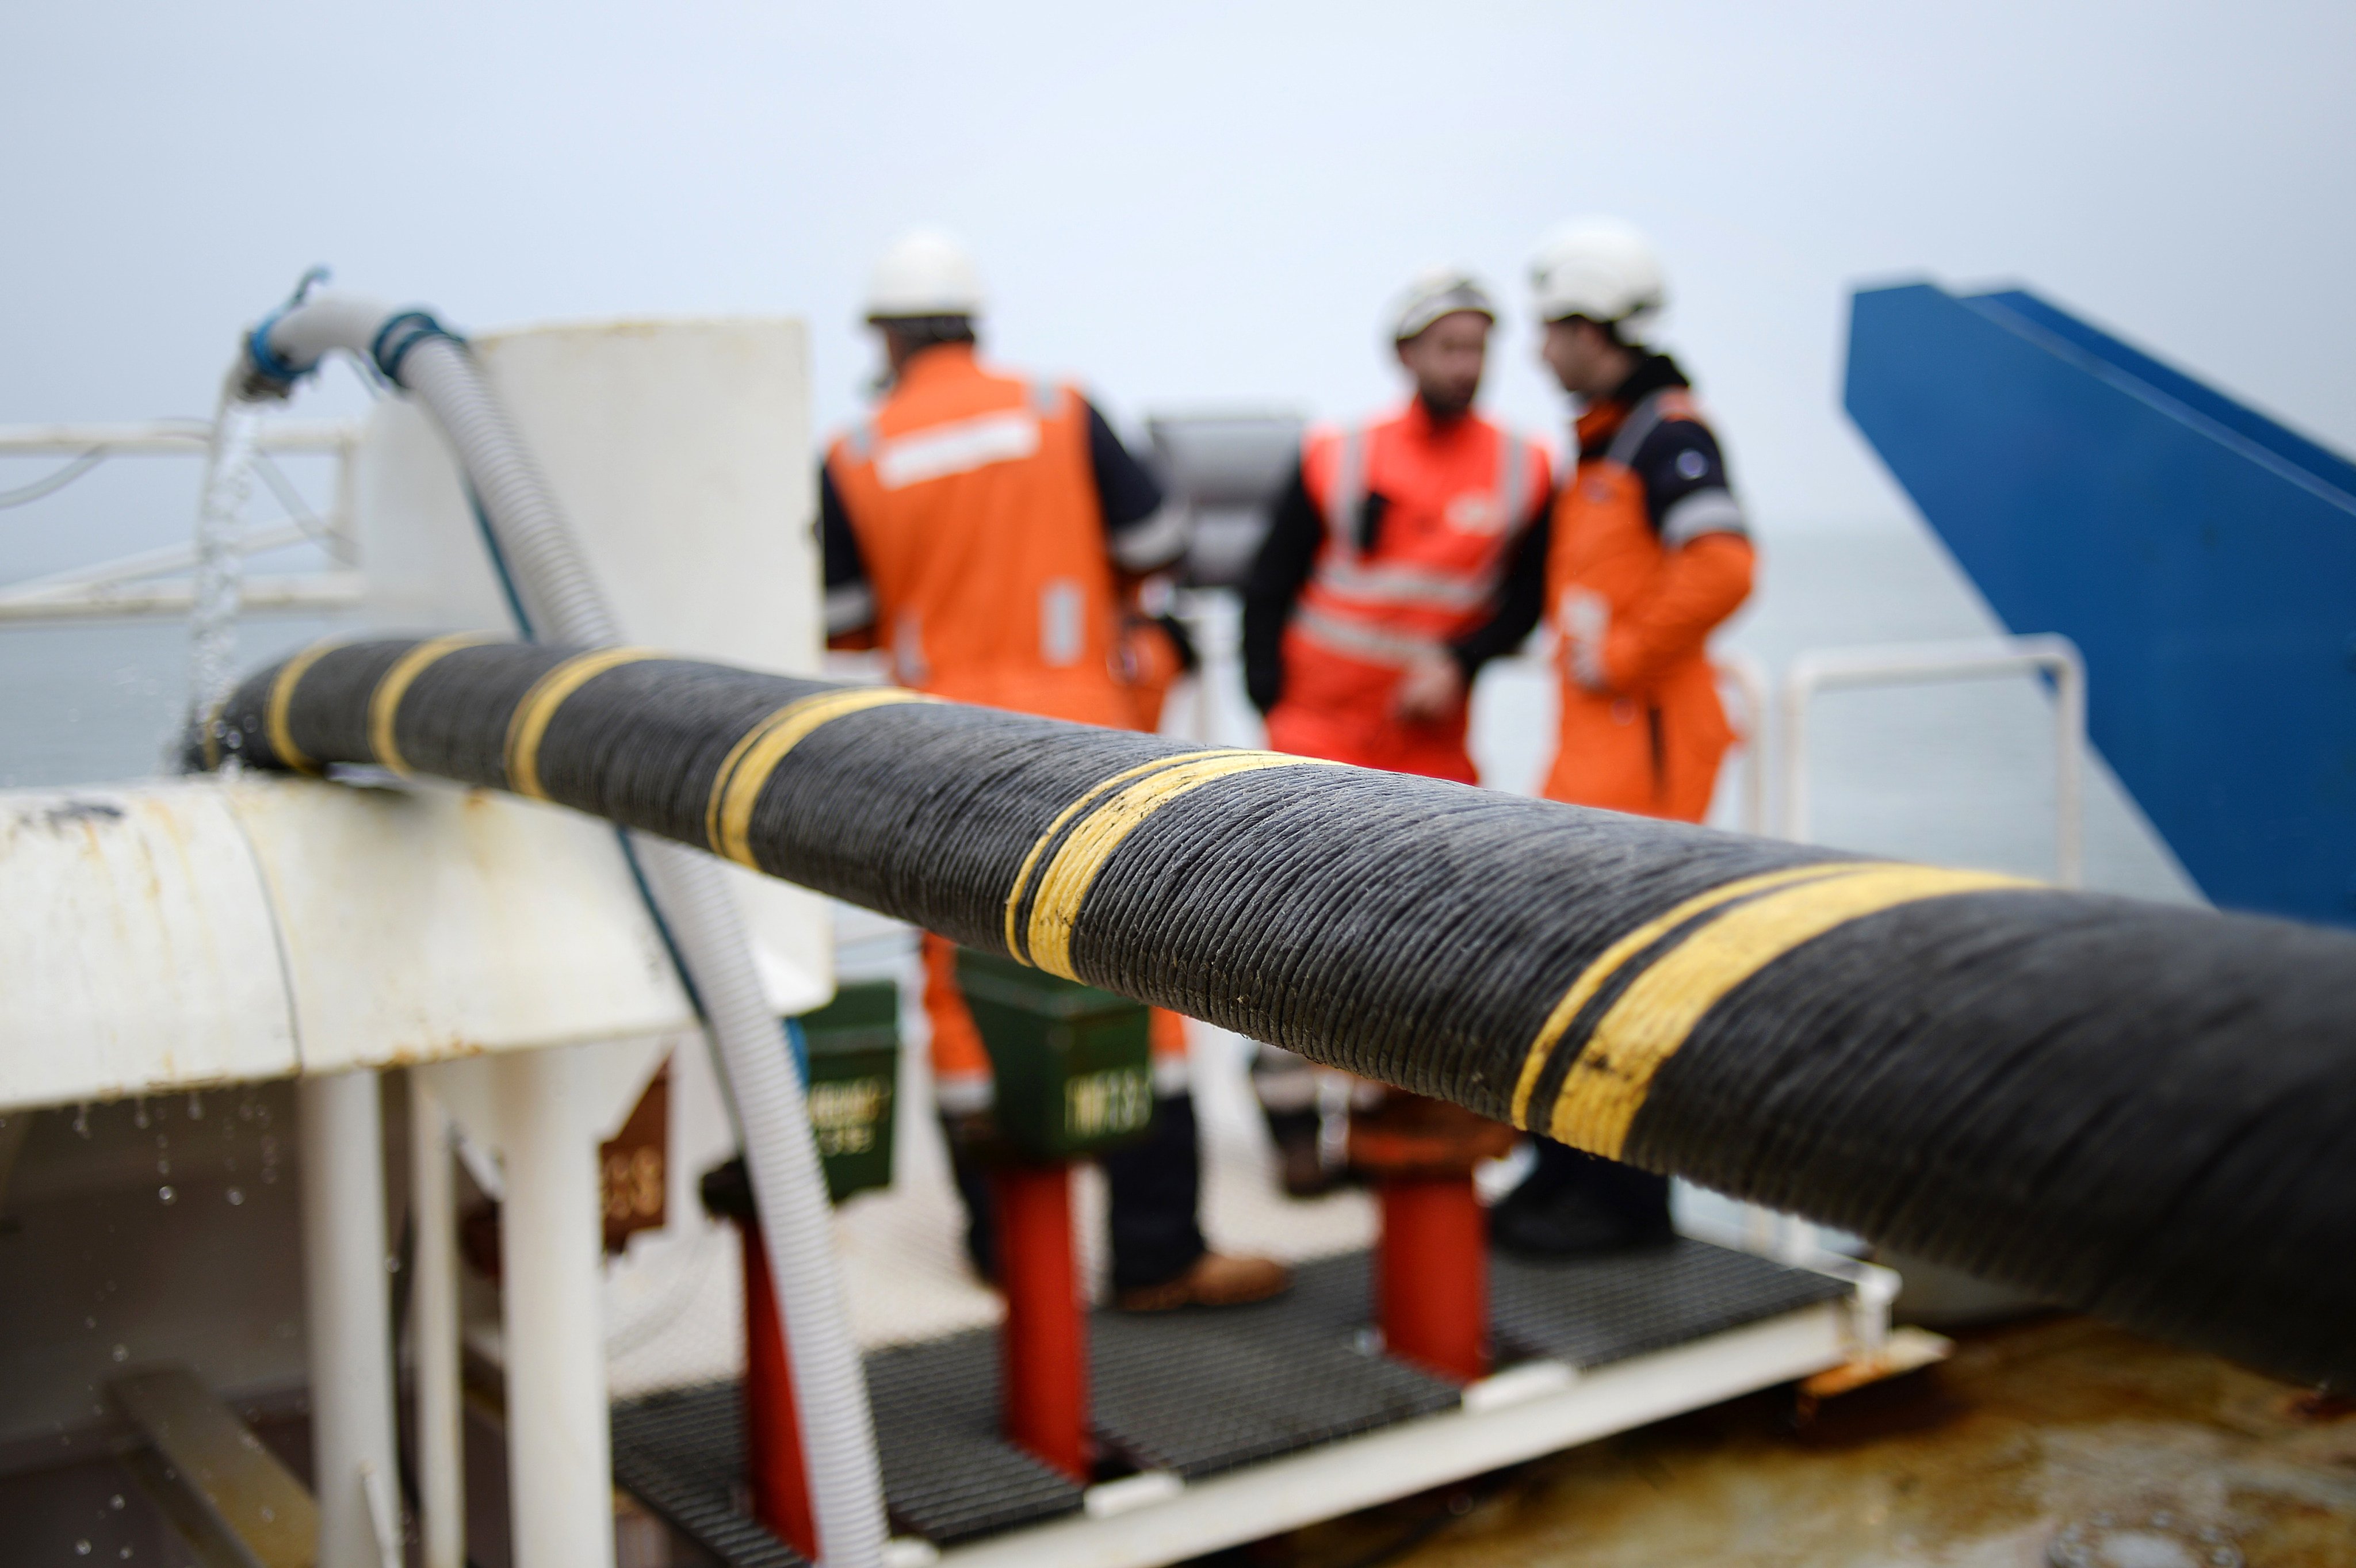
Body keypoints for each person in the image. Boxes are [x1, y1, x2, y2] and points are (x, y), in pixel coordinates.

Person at [819, 230, 1286, 1311]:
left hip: (936, 750)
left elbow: (843, 621)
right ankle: (1156, 1249)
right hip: (1087, 735)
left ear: (885, 338)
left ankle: (1004, 1242)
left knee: (959, 986)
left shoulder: (855, 452)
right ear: (976, 322)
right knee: (1129, 970)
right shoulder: (1057, 408)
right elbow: (1158, 533)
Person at [1240, 267, 1552, 1195]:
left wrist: (1461, 661)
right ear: (1406, 354)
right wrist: (1271, 705)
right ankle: (1293, 1122)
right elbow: (1269, 584)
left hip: (1428, 743)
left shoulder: (1523, 468)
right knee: (1284, 936)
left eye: (1480, 347)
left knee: (1409, 940)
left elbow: (1525, 601)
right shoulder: (1335, 454)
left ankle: (1384, 1112)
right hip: (1316, 728)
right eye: (1451, 347)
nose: (1469, 365)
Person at [1487, 217, 1758, 1257]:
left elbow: (1726, 564)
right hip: (1601, 745)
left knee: (1622, 976)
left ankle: (1628, 1207)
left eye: (1551, 326)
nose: (1540, 348)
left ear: (1594, 327)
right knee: (1576, 967)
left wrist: (1628, 655)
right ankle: (1563, 1178)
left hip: (1641, 741)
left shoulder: (1664, 436)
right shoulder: (1615, 434)